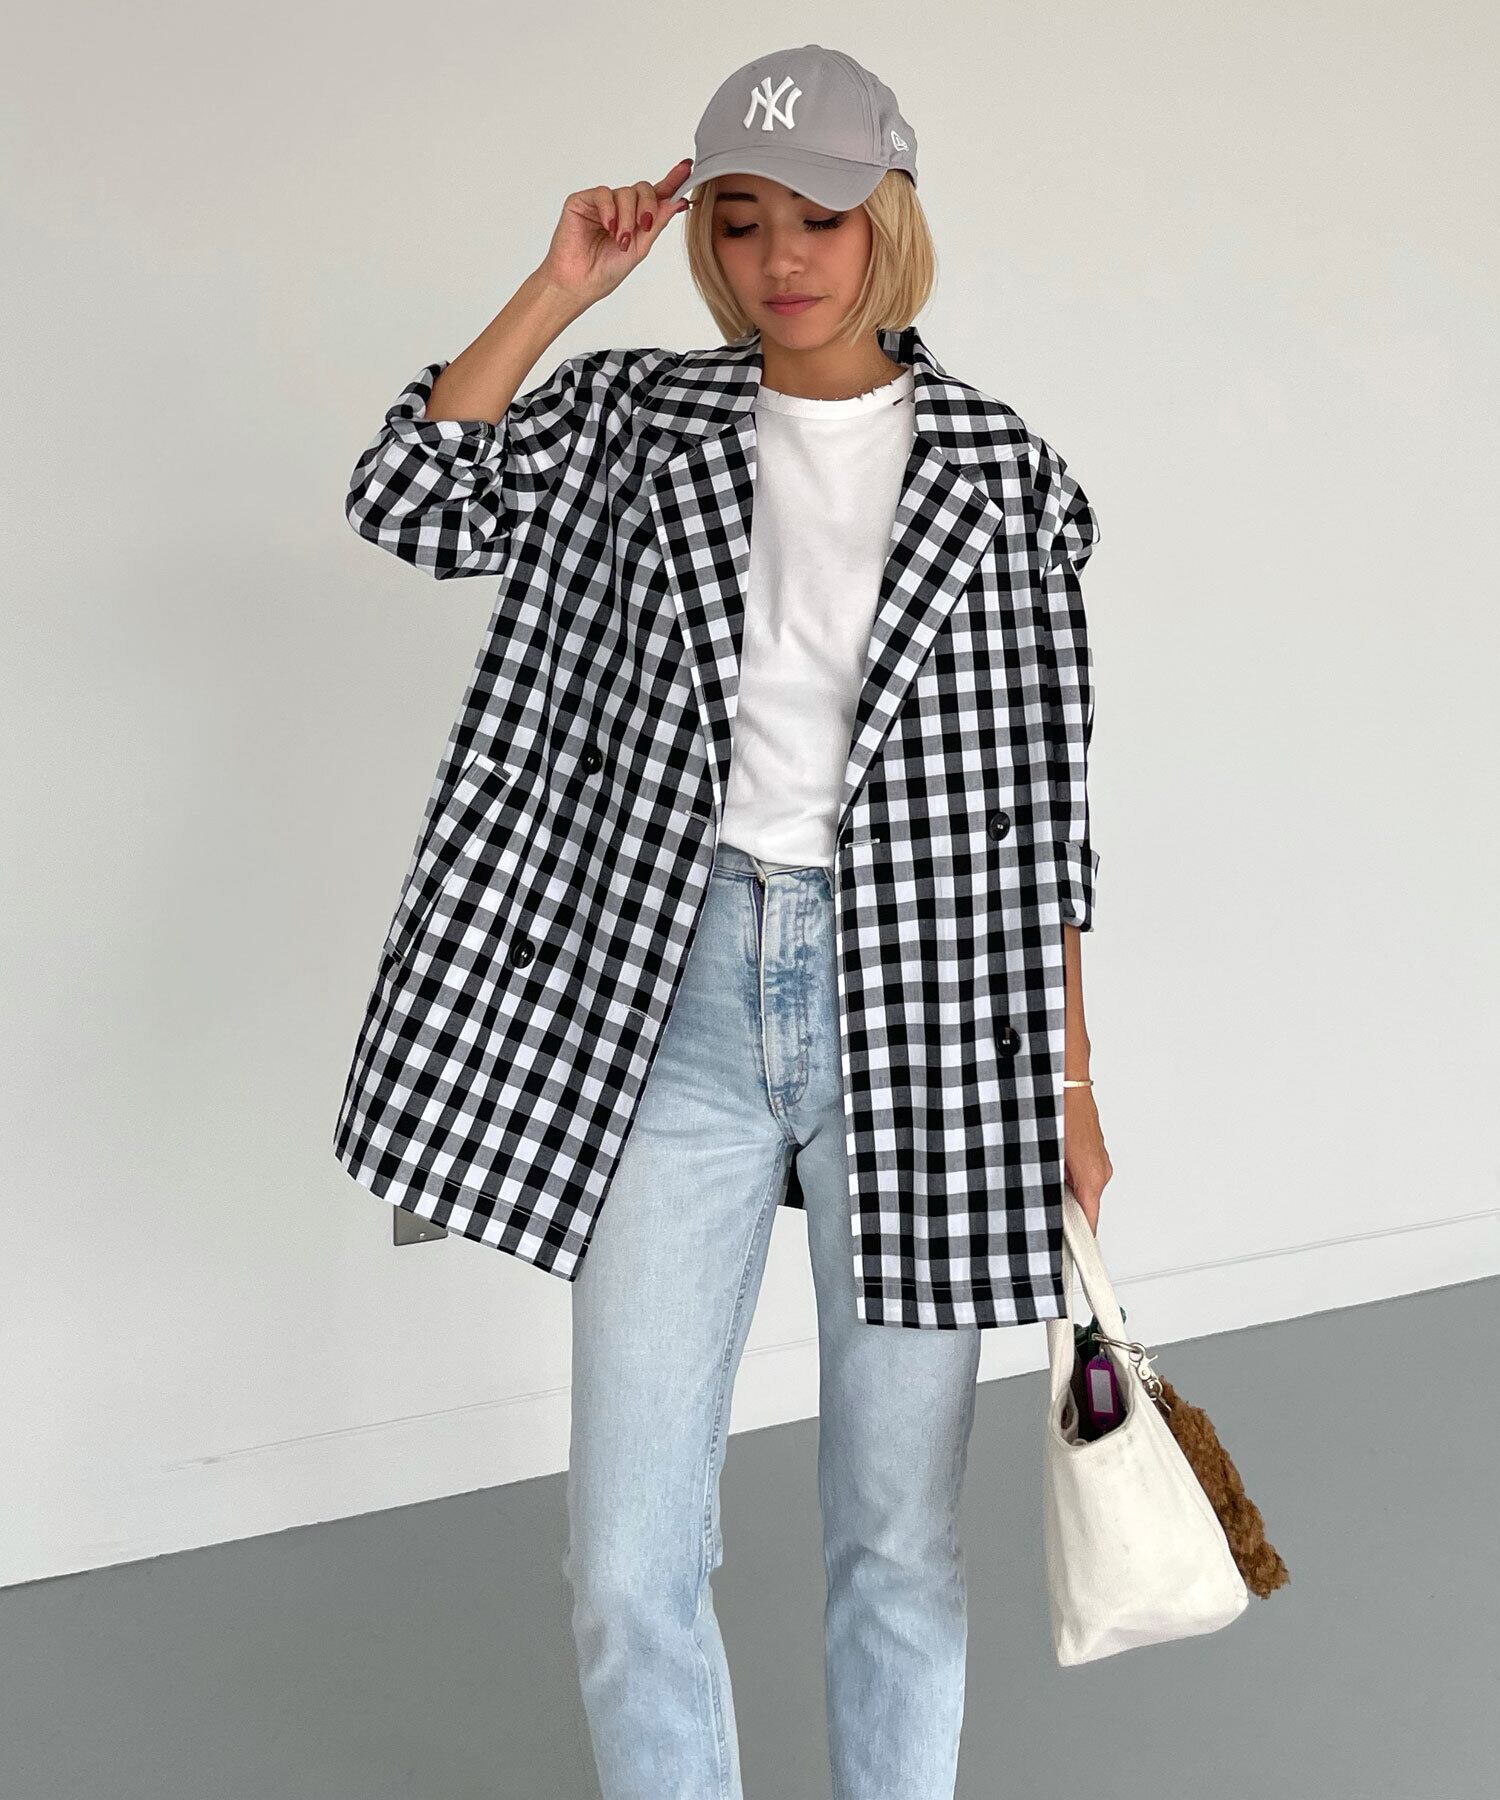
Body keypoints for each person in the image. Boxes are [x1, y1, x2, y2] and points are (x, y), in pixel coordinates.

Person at [334, 41, 1112, 1800]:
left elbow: (1047, 814)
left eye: (819, 218)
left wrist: (1069, 1080)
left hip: (923, 1010)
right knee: (627, 1564)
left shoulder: (1002, 475)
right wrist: (562, 286)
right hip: (670, 997)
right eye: (742, 220)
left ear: (886, 218)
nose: (780, 259)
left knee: (897, 1540)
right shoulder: (634, 421)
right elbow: (408, 499)